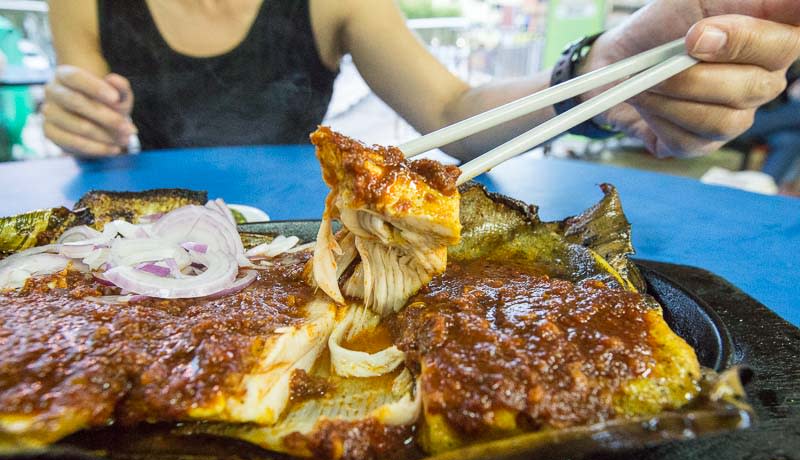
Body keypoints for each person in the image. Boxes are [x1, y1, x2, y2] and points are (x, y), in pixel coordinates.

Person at [43, 0, 800, 162]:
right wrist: (76, 119)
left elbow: (451, 108)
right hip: (147, 234)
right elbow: (93, 135)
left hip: (308, 231)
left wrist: (595, 75)